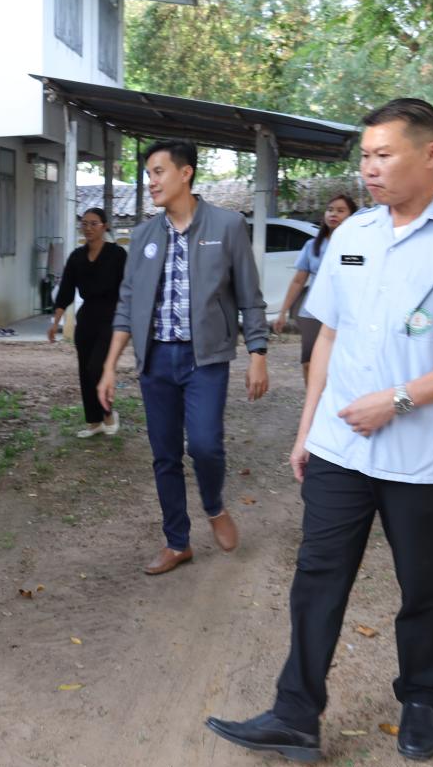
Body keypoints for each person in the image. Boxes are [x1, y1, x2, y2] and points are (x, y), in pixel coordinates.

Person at [205, 98, 433, 763]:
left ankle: (421, 698)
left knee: (422, 585)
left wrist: (400, 399)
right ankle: (295, 714)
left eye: (384, 155)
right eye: (365, 156)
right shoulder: (353, 234)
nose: (370, 169)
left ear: (432, 153)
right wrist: (306, 429)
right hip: (340, 445)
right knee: (316, 576)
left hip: (422, 452)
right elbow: (329, 334)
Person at [96, 140, 269, 576]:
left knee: (205, 445)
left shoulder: (227, 225)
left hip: (204, 359)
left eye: (158, 172)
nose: (151, 182)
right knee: (165, 454)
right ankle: (177, 542)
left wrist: (258, 353)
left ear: (185, 172)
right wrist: (110, 366)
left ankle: (213, 506)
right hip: (155, 361)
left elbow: (250, 296)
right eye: (148, 175)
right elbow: (127, 304)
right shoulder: (142, 236)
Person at [49, 208, 129, 438]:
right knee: (85, 369)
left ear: (104, 226)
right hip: (86, 318)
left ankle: (108, 414)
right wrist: (55, 322)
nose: (88, 228)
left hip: (111, 317)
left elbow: (128, 287)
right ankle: (94, 422)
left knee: (97, 367)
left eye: (94, 223)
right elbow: (65, 291)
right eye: (84, 223)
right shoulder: (76, 257)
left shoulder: (117, 254)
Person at [274, 194, 359, 382]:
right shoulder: (312, 246)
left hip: (345, 313)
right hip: (312, 312)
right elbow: (298, 281)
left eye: (340, 210)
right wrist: (282, 312)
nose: (333, 214)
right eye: (330, 210)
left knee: (338, 364)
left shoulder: (358, 246)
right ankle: (313, 399)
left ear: (351, 216)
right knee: (309, 362)